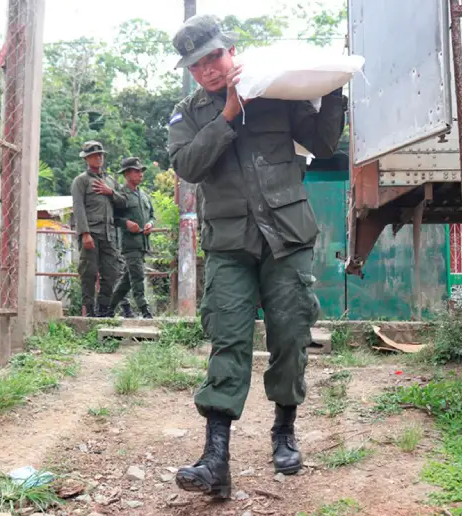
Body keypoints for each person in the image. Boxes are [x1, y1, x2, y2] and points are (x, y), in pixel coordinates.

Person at [167, 14, 346, 498]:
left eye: (213, 57)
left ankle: (284, 431)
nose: (207, 69)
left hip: (286, 238)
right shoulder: (187, 114)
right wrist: (227, 113)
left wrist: (333, 90)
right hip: (230, 246)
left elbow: (324, 143)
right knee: (228, 341)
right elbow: (188, 165)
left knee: (290, 337)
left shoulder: (273, 94)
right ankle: (215, 459)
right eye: (197, 64)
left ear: (230, 51)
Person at [70, 141, 127, 317]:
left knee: (111, 272)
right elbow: (78, 208)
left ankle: (104, 309)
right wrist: (85, 234)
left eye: (100, 154)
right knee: (89, 272)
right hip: (91, 233)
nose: (99, 158)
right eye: (94, 155)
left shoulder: (109, 181)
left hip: (109, 235)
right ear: (86, 158)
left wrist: (110, 192)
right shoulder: (81, 181)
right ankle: (89, 311)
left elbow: (124, 203)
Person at [105, 157, 156, 319]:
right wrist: (126, 223)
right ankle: (145, 310)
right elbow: (113, 217)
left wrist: (150, 224)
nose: (140, 174)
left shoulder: (144, 195)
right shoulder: (121, 195)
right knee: (138, 276)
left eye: (141, 171)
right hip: (130, 244)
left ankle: (109, 309)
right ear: (127, 174)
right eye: (136, 171)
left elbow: (152, 215)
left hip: (143, 244)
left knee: (127, 280)